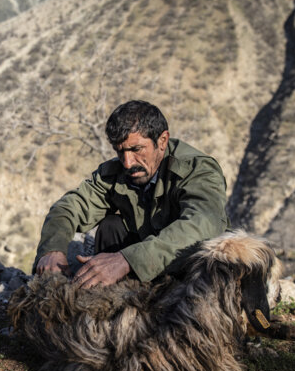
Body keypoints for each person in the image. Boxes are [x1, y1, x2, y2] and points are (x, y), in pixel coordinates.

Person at [34, 100, 229, 287]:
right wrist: (52, 249)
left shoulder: (197, 169)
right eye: (120, 152)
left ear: (162, 140)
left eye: (136, 149)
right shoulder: (117, 171)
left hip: (194, 270)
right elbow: (70, 206)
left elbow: (203, 224)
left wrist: (127, 260)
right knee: (111, 227)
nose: (128, 163)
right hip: (145, 269)